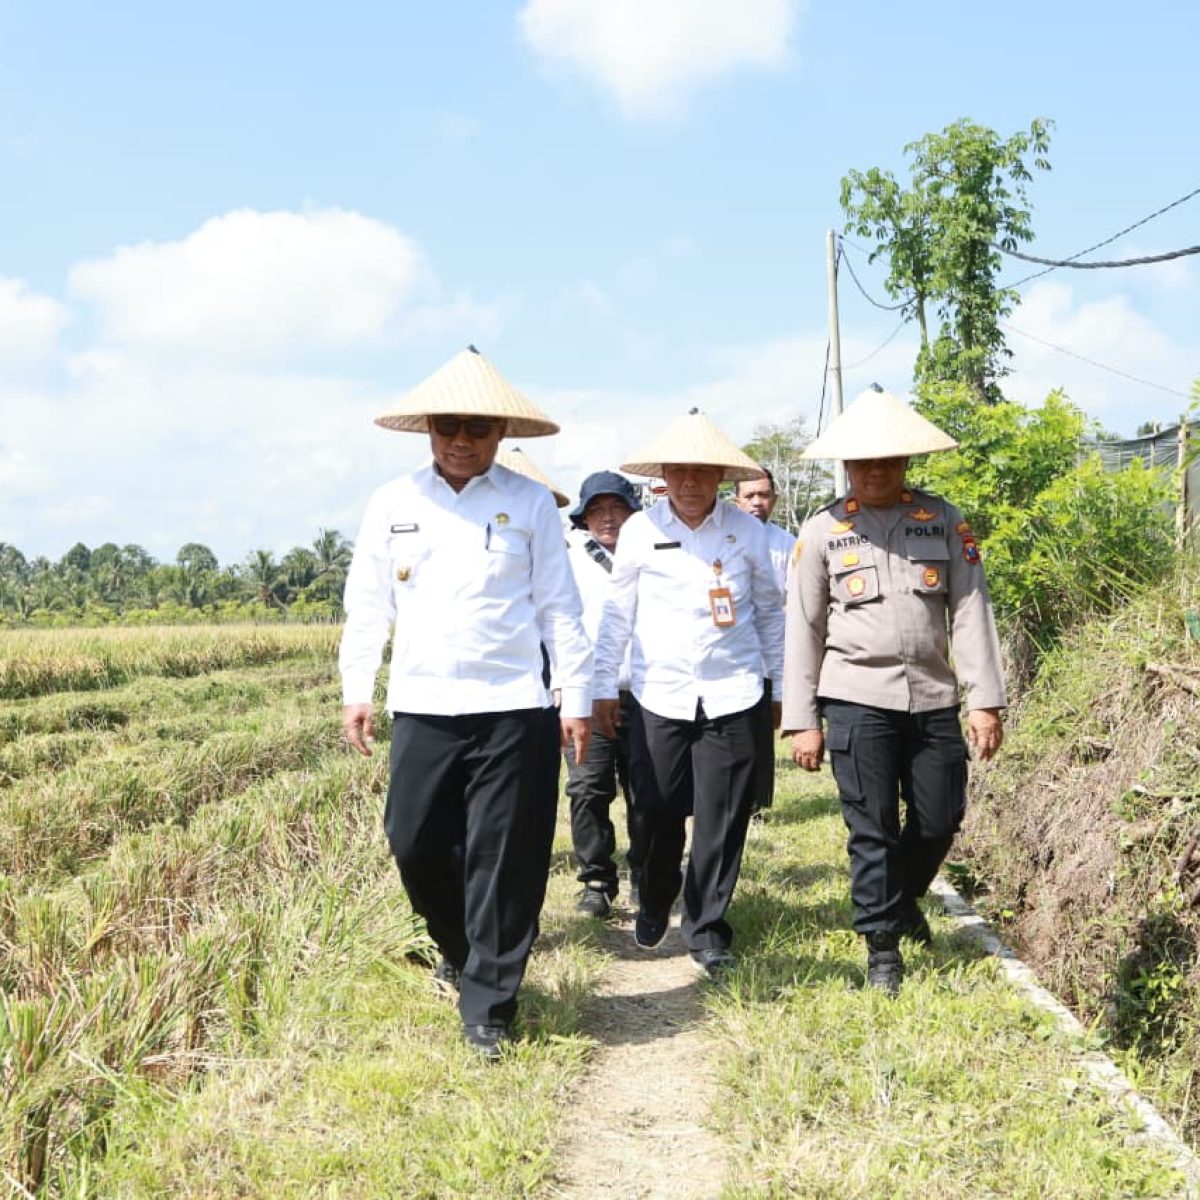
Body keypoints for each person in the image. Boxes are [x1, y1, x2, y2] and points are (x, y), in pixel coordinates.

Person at [339, 345, 592, 1059]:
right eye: (447, 426)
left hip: (515, 704)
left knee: (505, 857)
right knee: (414, 841)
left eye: (476, 429)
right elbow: (367, 605)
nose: (460, 440)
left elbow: (560, 608)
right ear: (428, 430)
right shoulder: (392, 503)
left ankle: (490, 1005)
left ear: (499, 435)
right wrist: (359, 688)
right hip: (423, 703)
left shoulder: (530, 504)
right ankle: (460, 947)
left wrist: (573, 694)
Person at [782, 386, 1007, 995]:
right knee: (872, 828)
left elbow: (969, 609)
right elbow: (803, 627)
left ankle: (903, 896)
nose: (874, 471)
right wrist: (804, 718)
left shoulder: (943, 518)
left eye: (887, 460)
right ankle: (882, 947)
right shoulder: (823, 530)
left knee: (940, 818)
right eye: (862, 462)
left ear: (906, 462)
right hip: (856, 698)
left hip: (934, 696)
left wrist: (985, 698)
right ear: (846, 467)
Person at [593, 409, 785, 978]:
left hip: (734, 691)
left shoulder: (747, 532)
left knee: (723, 819)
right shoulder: (640, 531)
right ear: (664, 476)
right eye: (680, 471)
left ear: (722, 477)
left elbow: (771, 616)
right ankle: (655, 894)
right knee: (653, 811)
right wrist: (605, 686)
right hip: (659, 695)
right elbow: (615, 617)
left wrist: (777, 685)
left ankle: (706, 928)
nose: (691, 483)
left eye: (703, 472)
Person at [563, 470, 648, 918]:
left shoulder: (654, 550)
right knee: (587, 788)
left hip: (646, 692)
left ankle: (646, 873)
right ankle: (596, 879)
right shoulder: (569, 559)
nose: (608, 518)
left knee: (648, 790)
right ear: (584, 517)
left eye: (617, 508)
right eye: (597, 510)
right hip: (586, 694)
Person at [732, 466, 796, 814]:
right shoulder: (729, 537)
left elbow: (789, 604)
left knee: (761, 730)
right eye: (750, 496)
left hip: (770, 647)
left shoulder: (786, 544)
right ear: (736, 500)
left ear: (774, 498)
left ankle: (757, 802)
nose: (757, 502)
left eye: (764, 495)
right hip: (734, 650)